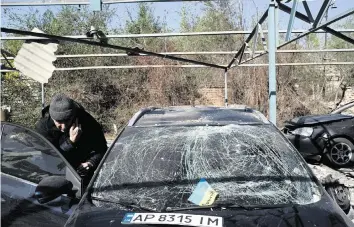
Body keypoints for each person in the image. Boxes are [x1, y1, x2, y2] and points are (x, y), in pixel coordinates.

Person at [35, 93, 107, 186]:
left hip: (84, 175)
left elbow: (102, 148)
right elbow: (52, 159)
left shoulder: (87, 121)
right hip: (57, 174)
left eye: (68, 120)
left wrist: (91, 163)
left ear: (74, 116)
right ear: (52, 117)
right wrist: (70, 142)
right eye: (59, 122)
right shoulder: (43, 127)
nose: (64, 127)